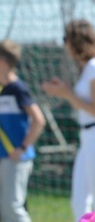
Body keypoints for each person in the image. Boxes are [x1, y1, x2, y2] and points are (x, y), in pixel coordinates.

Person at [42, 19, 95, 222]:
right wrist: (64, 91)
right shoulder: (89, 68)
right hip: (89, 139)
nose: (65, 45)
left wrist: (67, 93)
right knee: (79, 202)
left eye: (66, 39)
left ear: (76, 41)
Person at [0, 40, 46, 222]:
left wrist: (23, 147)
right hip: (3, 157)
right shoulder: (2, 89)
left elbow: (38, 120)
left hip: (17, 158)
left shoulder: (18, 89)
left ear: (3, 61)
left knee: (12, 206)